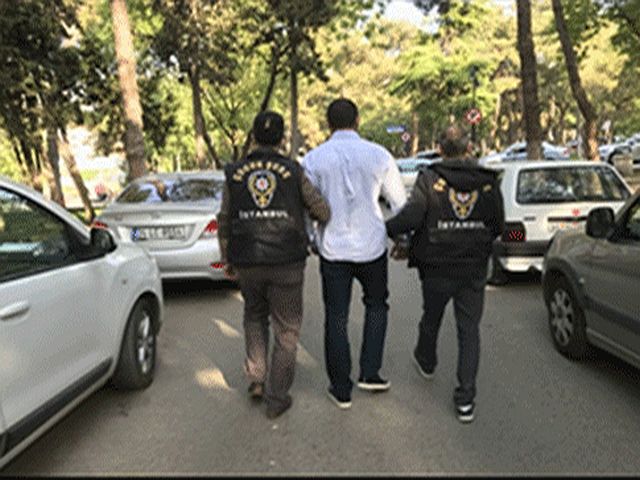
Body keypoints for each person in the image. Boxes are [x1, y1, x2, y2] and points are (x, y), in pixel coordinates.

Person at [385, 124, 504, 423]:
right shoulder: (488, 181)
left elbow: (412, 216)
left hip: (436, 265)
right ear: (469, 148)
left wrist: (385, 229)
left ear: (439, 149)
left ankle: (426, 360)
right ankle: (466, 399)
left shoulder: (430, 178)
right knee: (469, 331)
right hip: (473, 267)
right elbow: (499, 226)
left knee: (432, 316)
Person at [218, 111, 331, 419]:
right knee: (287, 331)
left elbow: (225, 217)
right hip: (287, 261)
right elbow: (320, 209)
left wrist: (227, 257)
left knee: (254, 316)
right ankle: (277, 397)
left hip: (247, 259)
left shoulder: (234, 172)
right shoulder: (293, 171)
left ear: (253, 136)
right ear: (282, 138)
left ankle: (257, 377)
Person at [303, 98, 406, 409]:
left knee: (336, 316)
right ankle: (370, 373)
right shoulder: (379, 155)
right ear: (358, 120)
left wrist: (312, 238)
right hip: (372, 247)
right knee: (376, 305)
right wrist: (402, 238)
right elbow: (399, 203)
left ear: (328, 123)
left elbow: (307, 206)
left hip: (333, 249)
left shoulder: (314, 159)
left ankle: (341, 388)